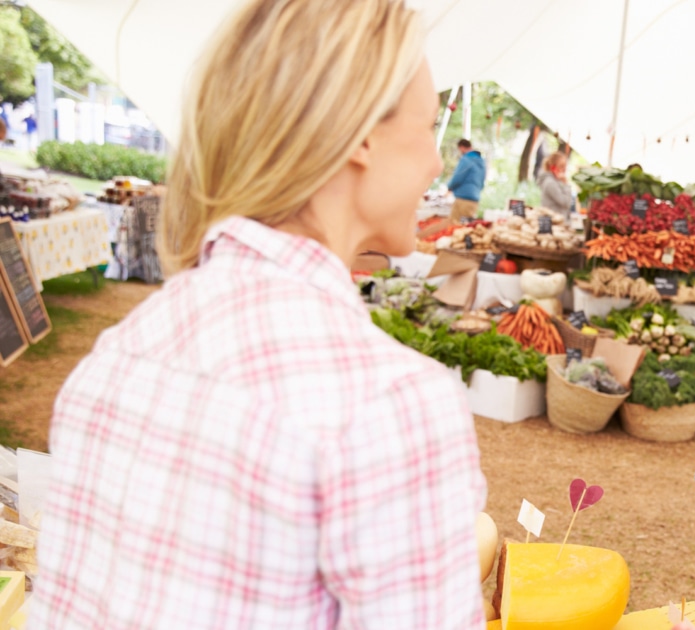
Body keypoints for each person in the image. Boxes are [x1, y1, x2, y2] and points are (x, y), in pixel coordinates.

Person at [31, 1, 487, 628]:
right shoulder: (390, 404)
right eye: (427, 125)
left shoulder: (119, 351)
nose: (438, 162)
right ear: (359, 134)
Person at [448, 138, 485, 221]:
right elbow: (482, 181)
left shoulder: (466, 160)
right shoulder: (481, 161)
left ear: (461, 147)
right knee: (467, 227)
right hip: (475, 200)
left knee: (456, 226)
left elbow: (457, 177)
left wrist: (449, 187)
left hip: (463, 199)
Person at [536, 151, 574, 218]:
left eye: (565, 166)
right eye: (562, 166)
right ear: (553, 167)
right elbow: (566, 203)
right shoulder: (550, 183)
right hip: (554, 222)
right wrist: (566, 184)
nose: (564, 169)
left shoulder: (554, 182)